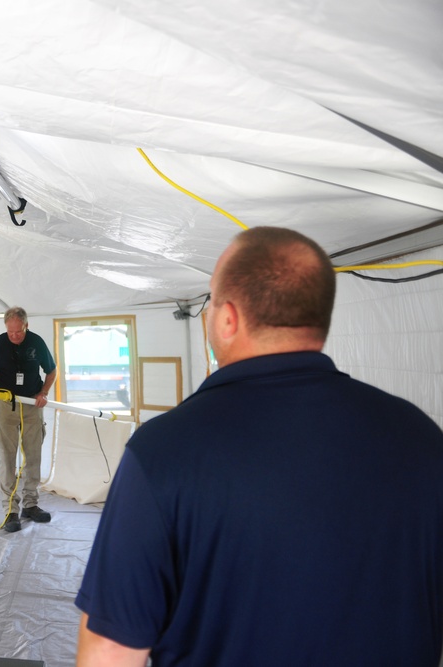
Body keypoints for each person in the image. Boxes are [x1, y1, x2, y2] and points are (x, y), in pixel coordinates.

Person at [75, 226, 443, 667]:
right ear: (320, 318)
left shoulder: (162, 451)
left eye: (210, 301)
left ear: (228, 317)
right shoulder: (420, 436)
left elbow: (111, 650)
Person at [0, 306, 57, 533]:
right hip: (5, 407)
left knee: (33, 455)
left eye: (19, 332)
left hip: (32, 406)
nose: (14, 336)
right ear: (6, 327)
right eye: (10, 332)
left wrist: (43, 392)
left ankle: (31, 505)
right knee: (7, 457)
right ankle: (10, 510)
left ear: (26, 326)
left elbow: (51, 371)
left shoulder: (37, 342)